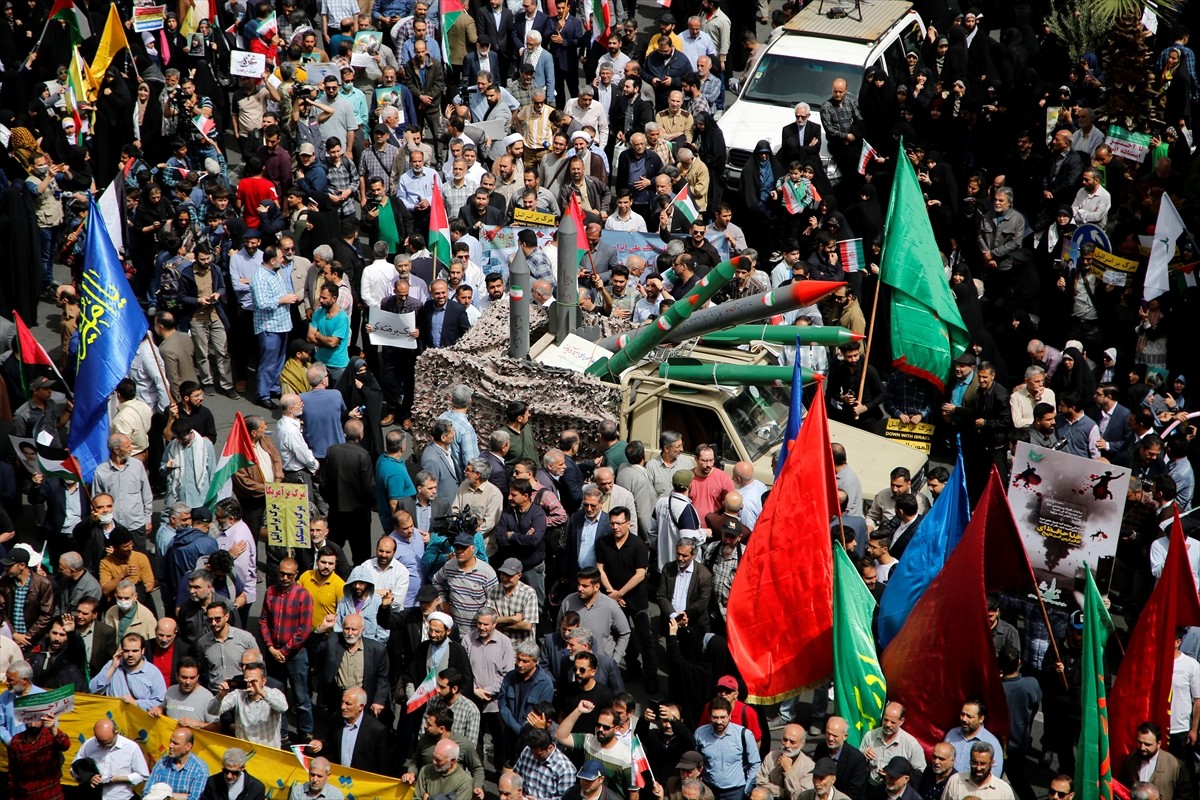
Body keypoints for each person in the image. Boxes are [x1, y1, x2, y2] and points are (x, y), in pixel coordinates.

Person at [260, 557, 314, 743]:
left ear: (296, 575)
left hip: (295, 655)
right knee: (276, 695)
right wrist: (270, 647)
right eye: (282, 574)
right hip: (273, 654)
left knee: (301, 697)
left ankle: (305, 733)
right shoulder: (270, 592)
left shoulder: (303, 595)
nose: (284, 578)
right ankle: (281, 732)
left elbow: (304, 629)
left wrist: (284, 651)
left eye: (289, 575)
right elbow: (263, 621)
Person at [309, 687, 391, 775]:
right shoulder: (337, 719)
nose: (343, 707)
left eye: (348, 704)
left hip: (361, 780)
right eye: (342, 702)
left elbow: (383, 765)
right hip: (339, 776)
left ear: (361, 706)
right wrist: (321, 745)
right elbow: (331, 744)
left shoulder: (377, 730)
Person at [208, 664, 289, 748]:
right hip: (244, 752)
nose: (250, 684)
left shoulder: (274, 693)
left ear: (264, 681)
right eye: (247, 681)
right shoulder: (238, 694)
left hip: (267, 752)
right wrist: (220, 696)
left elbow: (283, 708)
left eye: (254, 681)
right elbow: (211, 711)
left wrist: (261, 693)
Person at [695, 696, 760, 800]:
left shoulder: (744, 735)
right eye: (715, 717)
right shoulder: (700, 734)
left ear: (730, 716)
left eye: (723, 717)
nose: (719, 722)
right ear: (709, 716)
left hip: (736, 792)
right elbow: (695, 761)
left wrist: (747, 789)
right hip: (709, 790)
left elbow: (755, 764)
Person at [71, 719, 150, 800]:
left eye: (108, 743)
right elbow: (74, 768)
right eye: (100, 743)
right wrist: (89, 777)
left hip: (120, 797)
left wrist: (124, 778)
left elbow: (143, 775)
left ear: (116, 733)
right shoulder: (89, 744)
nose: (104, 746)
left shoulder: (131, 747)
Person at [90, 633, 167, 712]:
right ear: (121, 650)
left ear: (143, 650)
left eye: (135, 651)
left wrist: (136, 703)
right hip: (113, 716)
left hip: (138, 717)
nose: (130, 654)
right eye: (126, 651)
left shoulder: (153, 672)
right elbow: (92, 690)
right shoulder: (112, 665)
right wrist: (113, 667)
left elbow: (160, 702)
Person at [1119, 723, 1192, 800]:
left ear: (1158, 744)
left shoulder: (1175, 765)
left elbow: (1186, 796)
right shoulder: (1130, 761)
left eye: (1147, 744)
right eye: (1139, 742)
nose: (1142, 747)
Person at [7, 711, 71, 800]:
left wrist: (53, 728)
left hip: (51, 795)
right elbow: (13, 773)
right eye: (30, 719)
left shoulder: (50, 736)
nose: (33, 724)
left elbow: (65, 745)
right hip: (27, 795)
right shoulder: (16, 741)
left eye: (36, 719)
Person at [943, 699, 1003, 776]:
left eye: (969, 716)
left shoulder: (992, 743)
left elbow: (994, 776)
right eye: (962, 714)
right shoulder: (951, 735)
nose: (964, 719)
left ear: (981, 719)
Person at [755, 724, 815, 800]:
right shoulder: (771, 757)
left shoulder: (809, 767)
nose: (787, 745)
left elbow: (800, 797)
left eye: (792, 742)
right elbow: (760, 783)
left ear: (802, 744)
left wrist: (788, 771)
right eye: (785, 739)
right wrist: (783, 793)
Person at [146, 728, 209, 800]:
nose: (170, 745)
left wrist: (161, 795)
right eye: (170, 741)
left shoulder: (199, 769)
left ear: (188, 746)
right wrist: (184, 796)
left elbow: (195, 798)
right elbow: (147, 792)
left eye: (175, 743)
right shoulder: (162, 763)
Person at [941, 742, 1015, 800]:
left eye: (983, 764)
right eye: (974, 763)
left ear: (992, 763)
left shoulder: (1003, 790)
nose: (978, 768)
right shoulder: (955, 781)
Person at [199, 748, 266, 800]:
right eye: (225, 771)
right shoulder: (212, 782)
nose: (229, 776)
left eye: (234, 772)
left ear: (243, 768)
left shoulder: (256, 788)